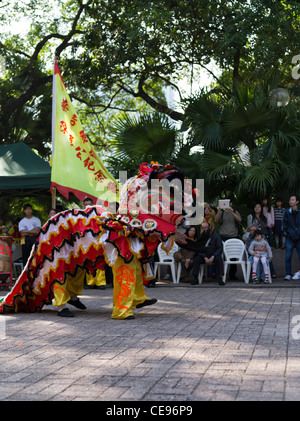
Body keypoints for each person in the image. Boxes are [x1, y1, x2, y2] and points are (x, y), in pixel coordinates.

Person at [0, 163, 192, 320]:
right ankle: (64, 304)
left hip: (122, 225)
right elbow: (135, 210)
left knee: (126, 261)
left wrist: (168, 230)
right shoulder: (138, 184)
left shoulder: (143, 186)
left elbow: (144, 212)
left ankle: (133, 298)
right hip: (74, 230)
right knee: (62, 262)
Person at [182, 222, 224, 286]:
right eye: (203, 228)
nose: (204, 229)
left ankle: (220, 278)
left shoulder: (216, 236)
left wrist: (213, 256)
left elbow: (220, 248)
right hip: (204, 255)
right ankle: (195, 278)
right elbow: (198, 249)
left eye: (206, 227)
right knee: (196, 259)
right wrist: (204, 257)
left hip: (213, 254)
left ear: (210, 227)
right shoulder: (200, 237)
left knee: (219, 258)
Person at [215, 200, 241, 280]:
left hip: (233, 236)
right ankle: (221, 274)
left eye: (228, 203)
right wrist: (219, 211)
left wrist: (232, 212)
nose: (226, 204)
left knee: (233, 256)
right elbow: (216, 221)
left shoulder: (235, 211)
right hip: (223, 236)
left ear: (231, 203)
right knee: (221, 256)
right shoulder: (222, 213)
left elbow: (239, 220)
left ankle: (232, 275)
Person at [282, 194, 300, 281]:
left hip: (299, 239)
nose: (290, 201)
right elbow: (284, 224)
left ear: (297, 202)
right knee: (288, 257)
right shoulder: (287, 212)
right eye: (290, 199)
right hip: (290, 238)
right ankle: (288, 274)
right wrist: (286, 234)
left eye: (292, 200)